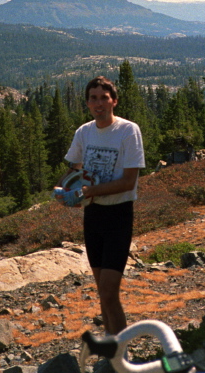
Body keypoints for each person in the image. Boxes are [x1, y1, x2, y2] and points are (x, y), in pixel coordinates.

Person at [55, 76, 145, 335]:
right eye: (93, 98)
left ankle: (121, 352)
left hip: (118, 215)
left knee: (108, 291)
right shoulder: (84, 132)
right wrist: (63, 192)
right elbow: (74, 169)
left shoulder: (128, 131)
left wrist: (88, 191)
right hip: (92, 215)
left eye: (104, 98)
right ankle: (112, 346)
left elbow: (129, 182)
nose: (99, 103)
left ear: (114, 101)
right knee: (102, 292)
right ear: (87, 103)